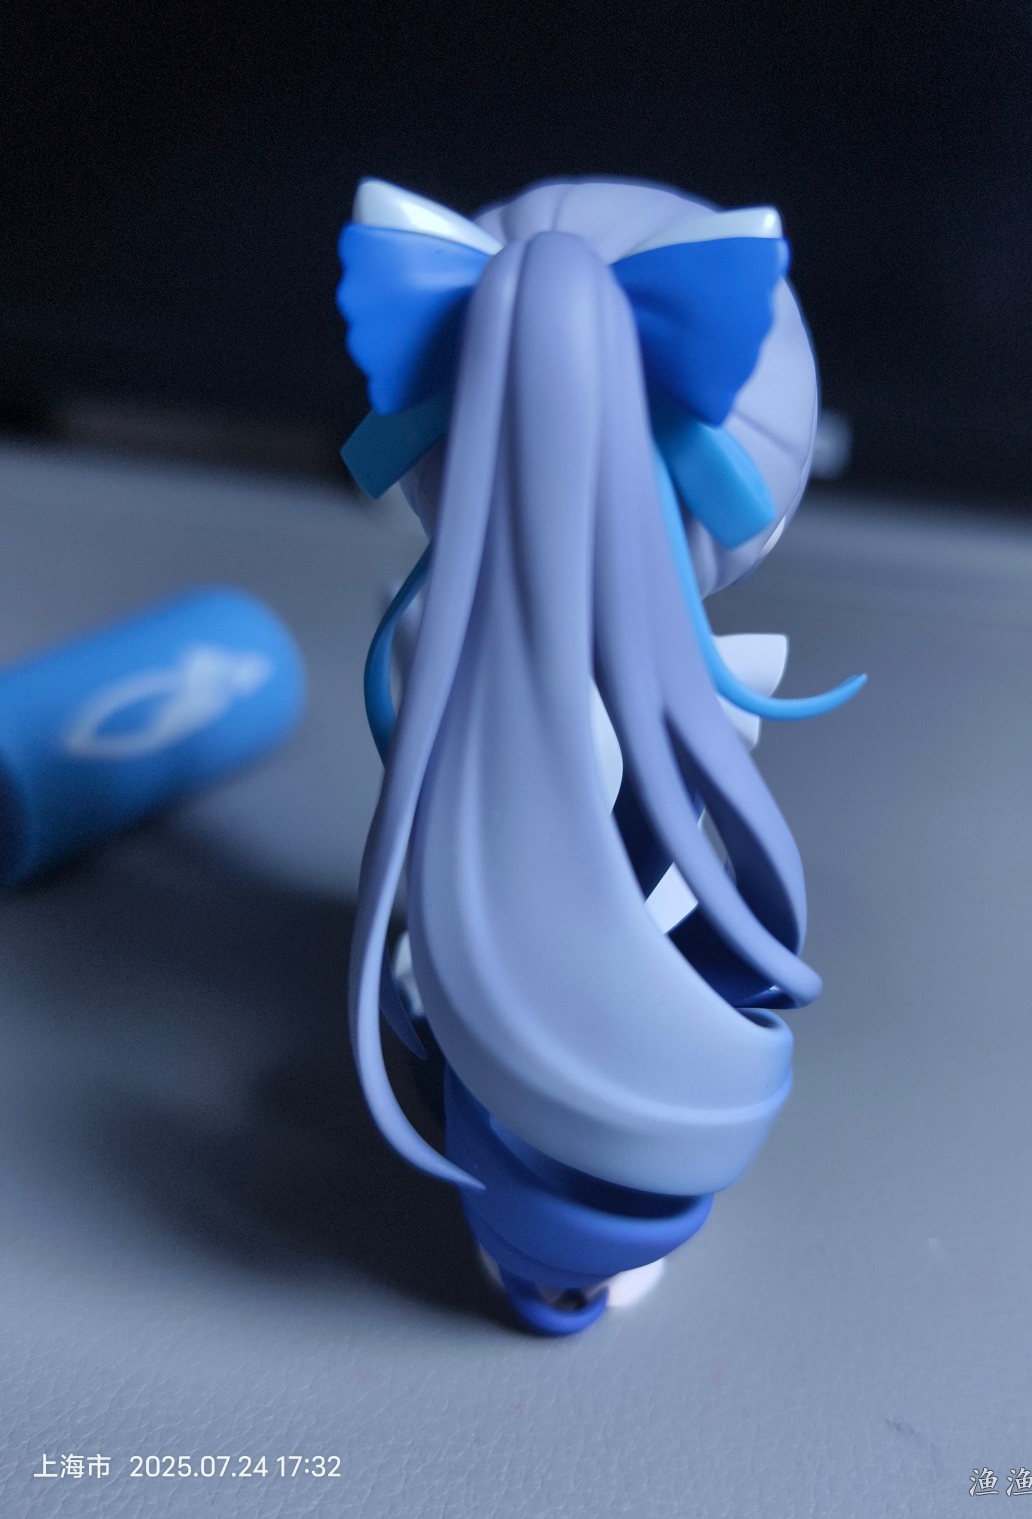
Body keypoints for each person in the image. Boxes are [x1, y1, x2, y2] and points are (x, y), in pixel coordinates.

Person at [336, 175, 863, 1333]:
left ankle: (557, 1189)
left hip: (516, 1034)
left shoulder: (437, 661)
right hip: (549, 1048)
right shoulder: (674, 709)